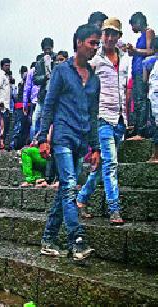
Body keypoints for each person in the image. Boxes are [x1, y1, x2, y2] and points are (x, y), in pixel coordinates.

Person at [38, 24, 101, 261]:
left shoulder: (94, 80)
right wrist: (43, 137)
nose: (95, 48)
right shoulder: (62, 71)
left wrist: (95, 147)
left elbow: (93, 115)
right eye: (92, 43)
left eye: (97, 44)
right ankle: (77, 240)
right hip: (62, 137)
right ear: (78, 42)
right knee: (70, 186)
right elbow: (50, 104)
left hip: (81, 140)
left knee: (64, 189)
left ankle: (48, 238)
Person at [77, 18, 129, 225]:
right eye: (106, 34)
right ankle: (114, 209)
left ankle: (80, 200)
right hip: (102, 118)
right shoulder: (95, 60)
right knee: (111, 164)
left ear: (119, 37)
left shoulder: (125, 59)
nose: (109, 38)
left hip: (120, 118)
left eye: (113, 34)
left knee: (102, 166)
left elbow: (126, 88)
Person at [127, 12, 155, 139]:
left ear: (138, 22)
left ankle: (141, 131)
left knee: (141, 100)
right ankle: (138, 128)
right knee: (137, 101)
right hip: (136, 70)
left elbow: (151, 51)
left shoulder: (149, 32)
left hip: (142, 70)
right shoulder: (141, 36)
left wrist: (136, 50)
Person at [33, 38, 57, 139]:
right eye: (45, 49)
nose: (47, 51)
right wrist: (45, 77)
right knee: (37, 120)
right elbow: (35, 79)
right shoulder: (39, 62)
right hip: (43, 95)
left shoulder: (57, 59)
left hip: (55, 94)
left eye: (49, 48)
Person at [0, 58, 12, 152]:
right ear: (2, 66)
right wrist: (0, 101)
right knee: (0, 125)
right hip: (1, 104)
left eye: (9, 65)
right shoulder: (0, 75)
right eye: (6, 65)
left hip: (6, 104)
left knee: (5, 125)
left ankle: (1, 144)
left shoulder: (7, 76)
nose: (8, 67)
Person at [11, 66, 29, 150]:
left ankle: (16, 145)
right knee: (19, 127)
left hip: (22, 107)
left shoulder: (24, 83)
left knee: (21, 127)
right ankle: (15, 145)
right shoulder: (22, 84)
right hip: (21, 107)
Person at [23, 61, 40, 141]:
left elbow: (27, 89)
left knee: (34, 122)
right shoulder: (33, 71)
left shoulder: (31, 72)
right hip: (40, 100)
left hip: (35, 100)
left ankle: (34, 141)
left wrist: (25, 104)